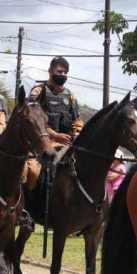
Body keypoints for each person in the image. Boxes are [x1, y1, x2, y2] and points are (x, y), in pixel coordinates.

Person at [25, 56, 84, 191]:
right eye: (59, 71)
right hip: (43, 143)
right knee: (33, 173)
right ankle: (27, 208)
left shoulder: (70, 95)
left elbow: (77, 121)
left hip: (66, 145)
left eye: (65, 72)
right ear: (50, 71)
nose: (62, 75)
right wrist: (55, 135)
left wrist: (77, 135)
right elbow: (33, 120)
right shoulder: (38, 92)